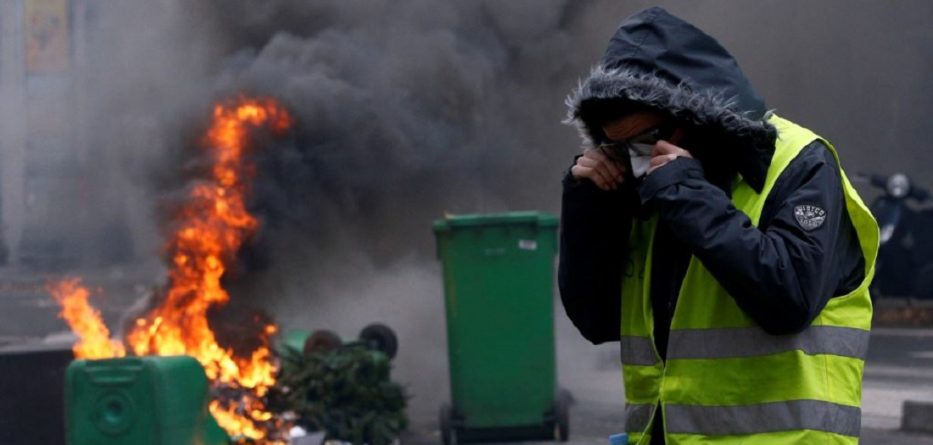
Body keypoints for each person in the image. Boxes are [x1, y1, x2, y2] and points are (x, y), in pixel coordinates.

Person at [558, 7, 879, 445]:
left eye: (646, 140)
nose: (635, 158)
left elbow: (788, 299)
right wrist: (588, 209)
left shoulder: (798, 164)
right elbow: (597, 320)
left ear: (693, 115)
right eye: (619, 146)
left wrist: (690, 197)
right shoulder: (649, 185)